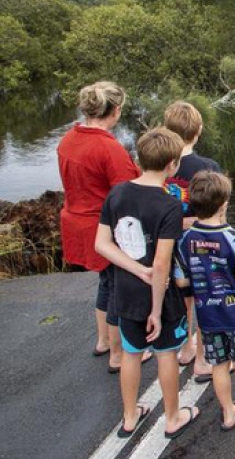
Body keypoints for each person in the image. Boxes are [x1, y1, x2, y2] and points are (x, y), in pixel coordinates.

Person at [95, 127, 199, 439]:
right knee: (166, 353)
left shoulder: (117, 193)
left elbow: (102, 243)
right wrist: (155, 308)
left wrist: (133, 270)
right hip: (159, 296)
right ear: (172, 165)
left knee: (131, 352)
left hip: (124, 292)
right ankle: (172, 417)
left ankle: (129, 416)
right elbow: (161, 264)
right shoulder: (168, 205)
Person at [57, 81, 147, 372]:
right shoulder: (108, 148)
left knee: (106, 283)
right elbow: (125, 194)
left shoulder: (68, 139)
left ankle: (103, 341)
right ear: (115, 111)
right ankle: (118, 353)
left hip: (77, 221)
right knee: (118, 286)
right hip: (104, 228)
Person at [174, 171, 235, 435]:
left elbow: (181, 282)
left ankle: (228, 412)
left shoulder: (185, 241)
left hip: (207, 318)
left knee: (218, 365)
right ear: (224, 203)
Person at [161, 101, 222, 382]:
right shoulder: (207, 166)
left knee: (182, 297)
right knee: (203, 298)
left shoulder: (160, 166)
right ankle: (202, 359)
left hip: (169, 246)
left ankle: (185, 348)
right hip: (199, 246)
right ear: (198, 131)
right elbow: (217, 210)